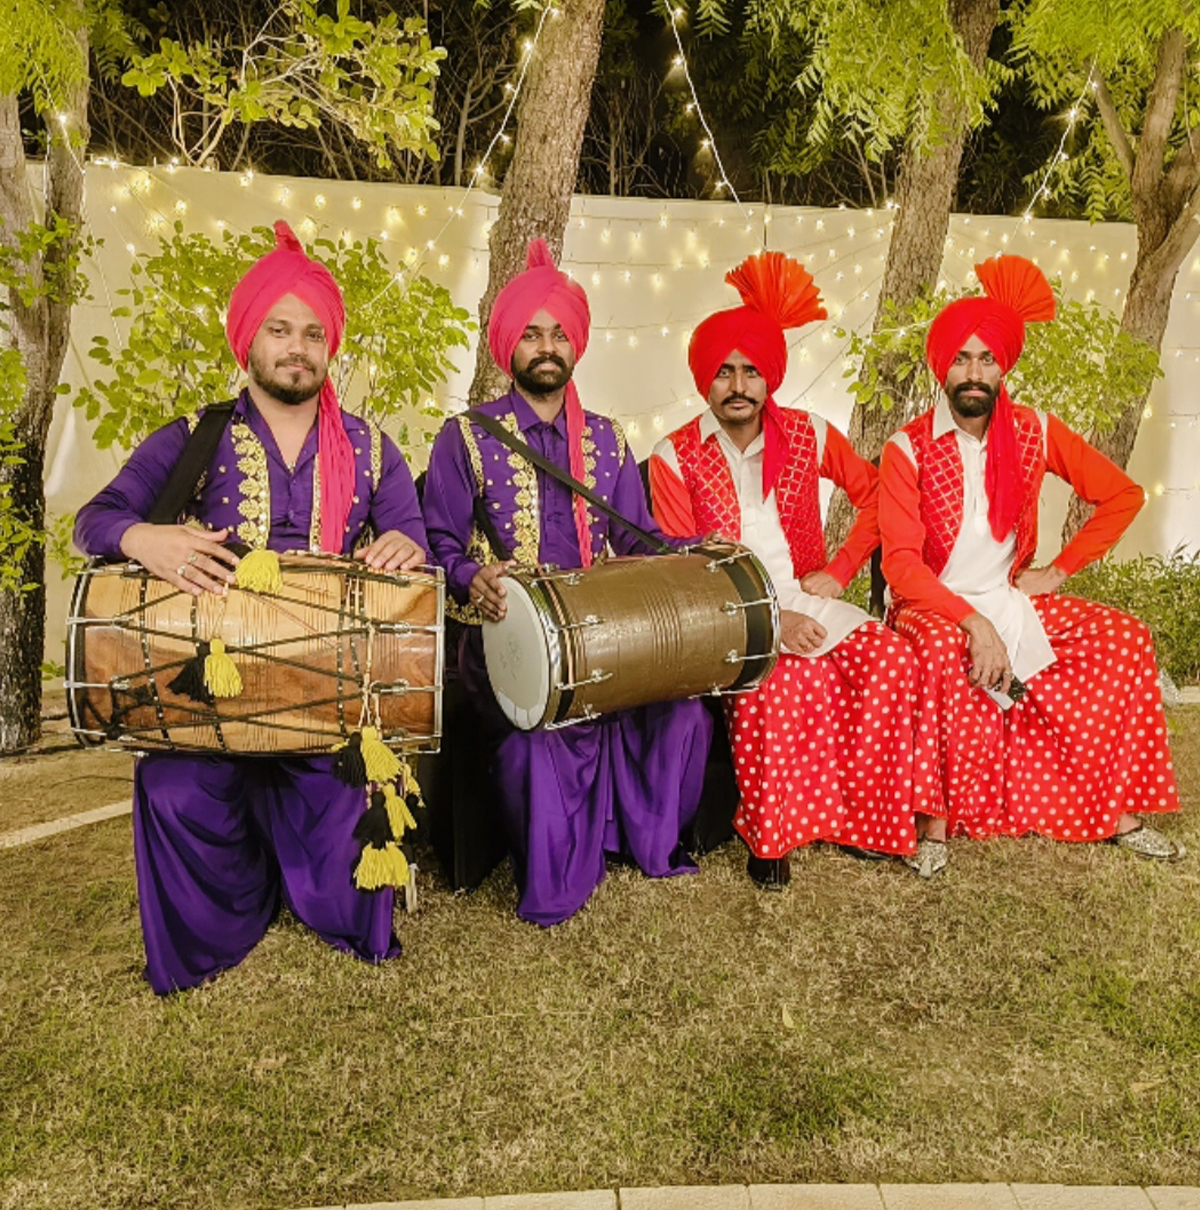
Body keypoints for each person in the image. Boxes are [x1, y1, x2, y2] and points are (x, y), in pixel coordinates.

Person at [74, 221, 428, 993]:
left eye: (311, 333)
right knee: (169, 789)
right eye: (279, 329)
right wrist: (147, 539)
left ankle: (322, 899)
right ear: (249, 340)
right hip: (209, 695)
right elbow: (93, 520)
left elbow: (411, 531)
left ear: (328, 346)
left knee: (357, 809)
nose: (296, 347)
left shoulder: (370, 448)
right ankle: (225, 919)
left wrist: (402, 545)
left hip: (326, 694)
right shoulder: (194, 437)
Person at [421, 237, 712, 925]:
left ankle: (642, 844)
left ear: (575, 343)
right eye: (531, 333)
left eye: (558, 333)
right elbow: (438, 541)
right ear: (508, 346)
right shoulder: (463, 438)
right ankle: (556, 879)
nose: (547, 346)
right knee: (538, 734)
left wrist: (701, 549)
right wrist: (473, 576)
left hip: (605, 638)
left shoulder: (608, 439)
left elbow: (637, 540)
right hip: (506, 642)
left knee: (683, 712)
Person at [879, 253, 1183, 877]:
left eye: (986, 358)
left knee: (1124, 639)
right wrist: (974, 623)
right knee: (941, 651)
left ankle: (1117, 814)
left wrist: (1060, 570)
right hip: (928, 603)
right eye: (961, 357)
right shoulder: (906, 446)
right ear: (942, 366)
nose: (973, 372)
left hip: (1010, 595)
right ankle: (932, 822)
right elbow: (902, 568)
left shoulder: (1033, 431)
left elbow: (1120, 495)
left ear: (1002, 365)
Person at [650, 252, 918, 888]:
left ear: (769, 377)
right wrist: (774, 619)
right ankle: (770, 837)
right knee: (784, 686)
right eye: (723, 372)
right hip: (726, 615)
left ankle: (865, 822)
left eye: (750, 371)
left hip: (808, 591)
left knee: (892, 660)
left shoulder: (809, 434)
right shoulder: (673, 454)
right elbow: (684, 567)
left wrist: (844, 564)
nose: (737, 385)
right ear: (704, 381)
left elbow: (877, 494)